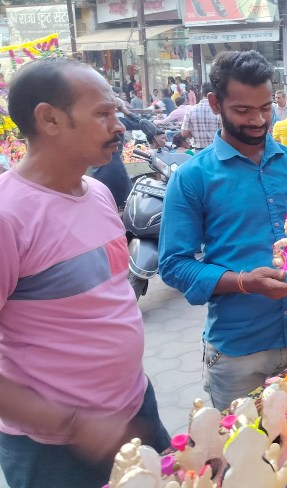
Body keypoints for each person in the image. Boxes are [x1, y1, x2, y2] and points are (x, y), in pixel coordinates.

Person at [0, 58, 170, 487]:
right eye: (103, 114)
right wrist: (74, 424)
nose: (120, 127)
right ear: (49, 119)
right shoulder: (8, 218)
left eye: (116, 112)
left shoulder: (96, 192)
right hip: (57, 449)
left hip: (134, 409)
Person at [159, 50, 287, 410]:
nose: (259, 120)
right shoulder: (192, 178)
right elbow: (174, 264)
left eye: (265, 107)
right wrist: (245, 281)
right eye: (243, 111)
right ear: (215, 103)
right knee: (244, 456)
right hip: (238, 355)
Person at [181, 82, 220, 151]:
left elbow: (184, 133)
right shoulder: (219, 110)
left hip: (198, 150)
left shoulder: (191, 110)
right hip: (216, 150)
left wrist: (195, 134)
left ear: (201, 93)